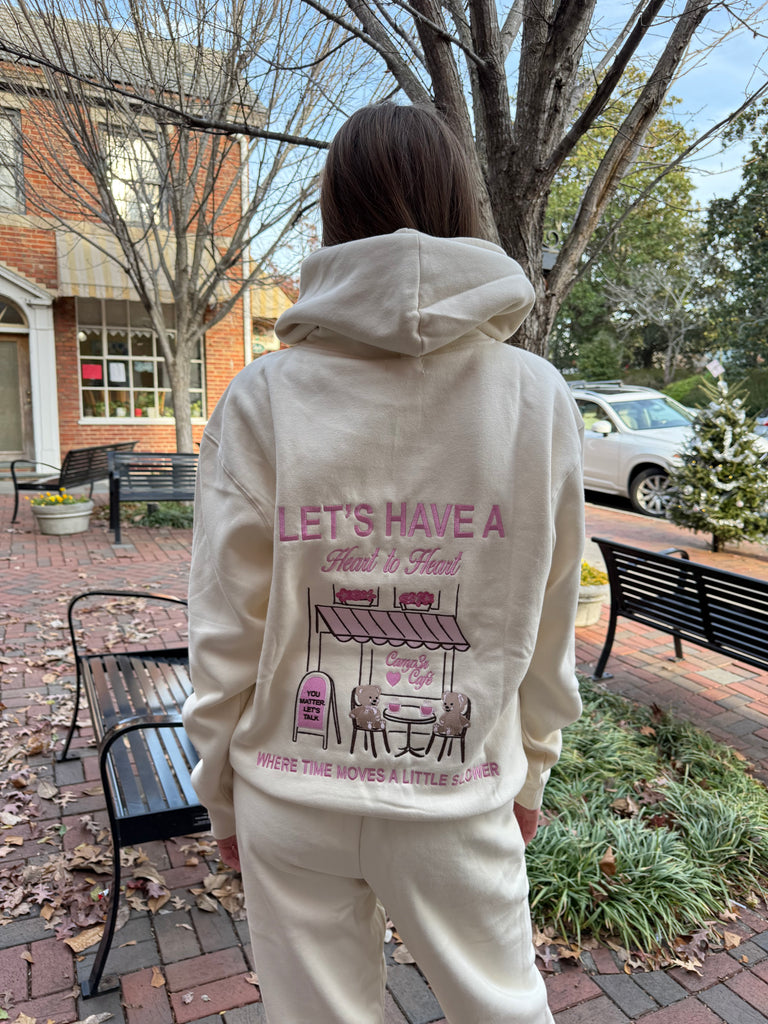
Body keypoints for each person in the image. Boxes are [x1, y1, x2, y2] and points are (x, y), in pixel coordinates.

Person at [183, 102, 584, 1024]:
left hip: (290, 792)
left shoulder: (261, 399)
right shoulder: (535, 398)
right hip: (459, 795)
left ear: (334, 215)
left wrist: (222, 794)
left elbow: (224, 625)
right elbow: (550, 617)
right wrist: (532, 767)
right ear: (462, 206)